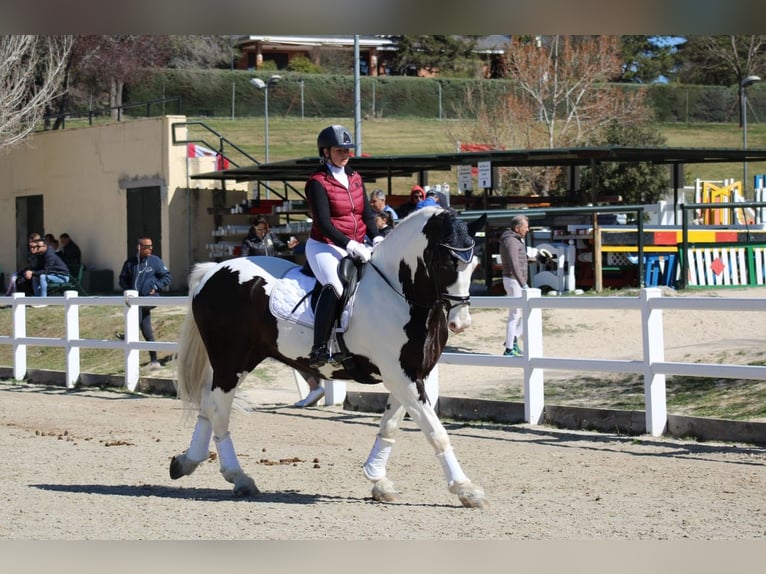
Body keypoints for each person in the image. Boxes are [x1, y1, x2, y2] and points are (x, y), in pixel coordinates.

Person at [304, 124, 382, 368]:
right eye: (340, 150)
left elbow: (367, 213)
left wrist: (377, 236)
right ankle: (319, 348)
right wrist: (349, 244)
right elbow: (324, 224)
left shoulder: (355, 177)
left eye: (348, 150)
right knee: (336, 286)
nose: (346, 154)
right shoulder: (317, 182)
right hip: (324, 244)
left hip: (356, 243)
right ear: (325, 152)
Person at [118, 236, 172, 371]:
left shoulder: (155, 261)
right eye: (147, 246)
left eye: (151, 246)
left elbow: (167, 276)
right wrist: (128, 290)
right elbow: (122, 279)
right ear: (139, 247)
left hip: (151, 298)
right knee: (146, 329)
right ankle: (154, 361)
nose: (151, 249)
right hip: (135, 300)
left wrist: (156, 286)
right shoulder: (130, 263)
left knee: (140, 310)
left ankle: (129, 331)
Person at [499, 214, 530, 357]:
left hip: (515, 280)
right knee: (515, 314)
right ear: (517, 228)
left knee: (524, 314)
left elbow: (520, 260)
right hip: (514, 281)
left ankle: (512, 339)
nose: (527, 230)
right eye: (526, 227)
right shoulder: (511, 241)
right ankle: (509, 348)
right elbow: (514, 263)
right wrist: (523, 284)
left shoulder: (515, 240)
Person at [23, 233, 70, 305]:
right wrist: (31, 271)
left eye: (38, 246)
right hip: (52, 274)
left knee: (42, 276)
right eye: (35, 247)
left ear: (44, 246)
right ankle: (37, 299)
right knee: (35, 277)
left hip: (62, 276)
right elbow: (35, 268)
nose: (36, 248)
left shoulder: (50, 255)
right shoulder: (40, 254)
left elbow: (46, 270)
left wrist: (32, 272)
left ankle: (43, 301)